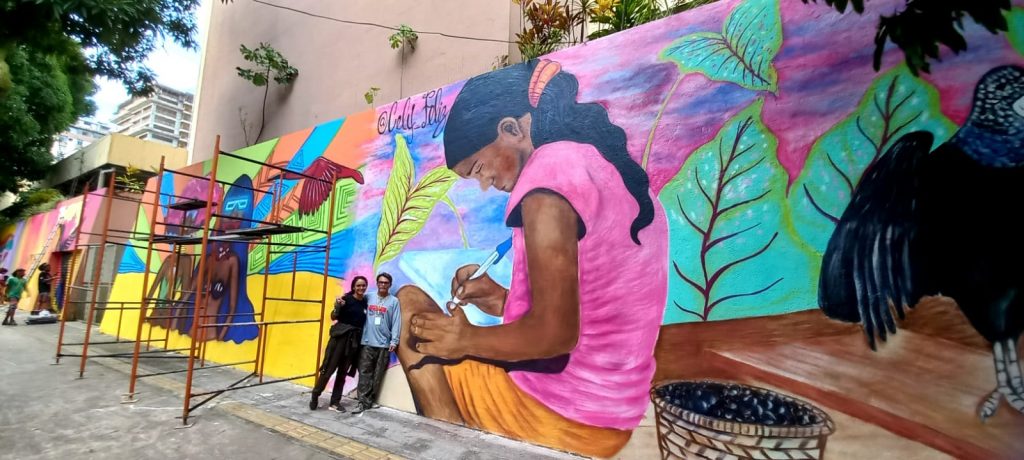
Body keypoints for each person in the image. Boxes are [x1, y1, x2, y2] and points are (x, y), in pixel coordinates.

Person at [395, 59, 667, 457]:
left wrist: (465, 339)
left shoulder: (548, 177)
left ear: (511, 129)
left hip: (558, 412)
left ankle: (450, 448)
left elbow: (555, 336)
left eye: (479, 168)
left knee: (407, 304)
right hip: (612, 411)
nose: (485, 184)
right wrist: (498, 298)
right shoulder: (608, 171)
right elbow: (592, 316)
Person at [310, 276, 368, 412]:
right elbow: (333, 316)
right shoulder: (346, 300)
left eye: (363, 285)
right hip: (340, 340)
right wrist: (338, 306)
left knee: (342, 373)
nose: (361, 288)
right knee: (328, 369)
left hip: (353, 343)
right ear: (353, 287)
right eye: (358, 285)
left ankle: (335, 402)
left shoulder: (364, 302)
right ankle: (315, 394)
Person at [353, 273, 401, 414]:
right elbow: (354, 300)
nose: (383, 285)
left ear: (389, 285)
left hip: (384, 344)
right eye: (380, 282)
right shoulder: (368, 297)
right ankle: (362, 402)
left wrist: (394, 340)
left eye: (385, 283)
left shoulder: (394, 301)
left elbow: (396, 321)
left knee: (377, 375)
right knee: (364, 373)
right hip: (367, 342)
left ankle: (370, 401)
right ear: (377, 283)